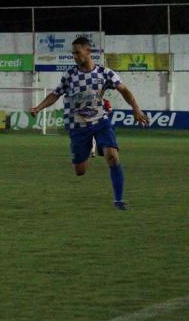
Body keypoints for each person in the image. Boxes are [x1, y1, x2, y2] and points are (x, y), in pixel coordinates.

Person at [30, 37, 147, 210]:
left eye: (77, 52)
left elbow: (124, 90)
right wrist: (39, 107)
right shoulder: (70, 75)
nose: (74, 56)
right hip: (77, 125)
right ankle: (95, 146)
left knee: (113, 157)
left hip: (100, 121)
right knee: (80, 171)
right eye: (73, 53)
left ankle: (119, 200)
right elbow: (56, 94)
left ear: (88, 52)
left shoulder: (105, 73)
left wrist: (136, 109)